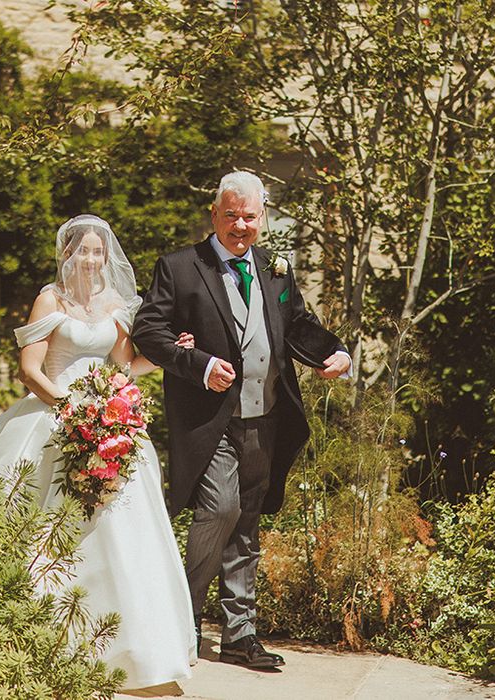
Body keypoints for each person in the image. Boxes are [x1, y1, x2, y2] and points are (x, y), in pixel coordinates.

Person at [0, 214, 197, 691]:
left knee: (123, 526)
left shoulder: (114, 305)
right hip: (53, 415)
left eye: (97, 252)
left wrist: (169, 351)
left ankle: (131, 646)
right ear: (67, 254)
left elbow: (126, 367)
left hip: (109, 418)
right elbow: (30, 370)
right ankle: (36, 633)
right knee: (45, 520)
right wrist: (70, 410)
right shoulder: (49, 298)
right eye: (82, 251)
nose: (90, 259)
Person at [132, 171, 351, 669]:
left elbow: (295, 324)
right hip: (210, 419)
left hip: (266, 415)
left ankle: (239, 634)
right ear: (214, 215)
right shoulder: (180, 267)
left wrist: (335, 352)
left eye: (249, 216)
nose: (239, 225)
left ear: (262, 218)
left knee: (247, 522)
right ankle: (180, 619)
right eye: (230, 215)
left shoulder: (274, 268)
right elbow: (149, 330)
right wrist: (200, 365)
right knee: (221, 508)